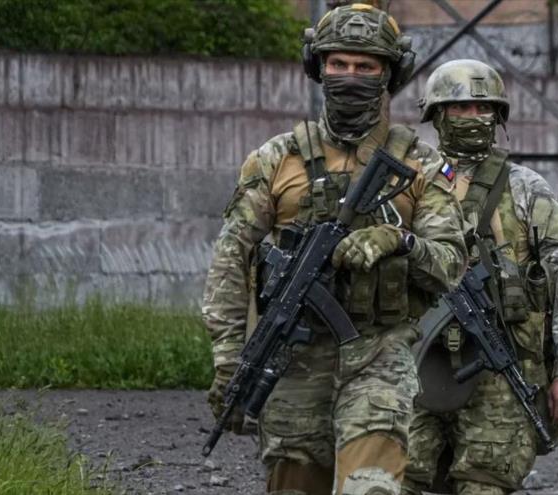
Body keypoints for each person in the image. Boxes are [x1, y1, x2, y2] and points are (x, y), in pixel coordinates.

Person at [201, 4, 468, 494]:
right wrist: (227, 357)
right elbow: (231, 259)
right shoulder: (275, 159)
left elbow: (451, 263)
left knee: (370, 488)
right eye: (338, 64)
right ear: (317, 67)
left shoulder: (422, 164)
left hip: (379, 357)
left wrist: (400, 241)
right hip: (294, 362)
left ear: (389, 74)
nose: (351, 77)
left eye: (366, 67)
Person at [402, 59, 558, 495]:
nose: (472, 118)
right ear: (437, 115)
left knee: (485, 482)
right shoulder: (411, 184)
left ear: (498, 116)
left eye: (482, 108)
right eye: (459, 108)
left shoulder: (527, 190)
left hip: (500, 370)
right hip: (414, 361)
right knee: (390, 478)